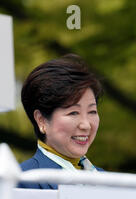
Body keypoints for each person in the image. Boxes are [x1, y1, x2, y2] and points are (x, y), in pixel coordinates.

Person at [18, 54, 103, 189]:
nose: (86, 125)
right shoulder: (21, 180)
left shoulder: (109, 181)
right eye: (73, 113)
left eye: (92, 111)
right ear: (41, 120)